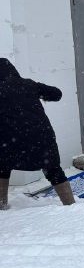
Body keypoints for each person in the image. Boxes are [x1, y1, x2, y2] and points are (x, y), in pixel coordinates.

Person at [0, 59, 74, 209]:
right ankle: (70, 205)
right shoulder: (29, 84)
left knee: (2, 167)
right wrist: (41, 95)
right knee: (53, 170)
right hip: (41, 138)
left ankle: (1, 204)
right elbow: (57, 93)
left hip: (9, 141)